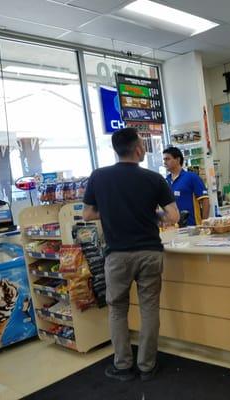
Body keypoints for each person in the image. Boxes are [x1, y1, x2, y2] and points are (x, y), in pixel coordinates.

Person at [82, 127, 179, 382]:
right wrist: (152, 214)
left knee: (117, 309)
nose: (144, 149)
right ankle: (147, 366)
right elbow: (174, 216)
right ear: (137, 149)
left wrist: (115, 211)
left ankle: (123, 365)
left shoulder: (98, 177)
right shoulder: (154, 178)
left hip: (117, 256)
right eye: (143, 145)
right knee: (149, 308)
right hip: (149, 252)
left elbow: (88, 214)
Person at [163, 146, 210, 226]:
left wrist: (204, 224)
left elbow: (205, 201)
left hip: (193, 227)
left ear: (178, 160)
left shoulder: (191, 177)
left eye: (167, 159)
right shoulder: (166, 181)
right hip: (174, 229)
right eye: (164, 160)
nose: (164, 162)